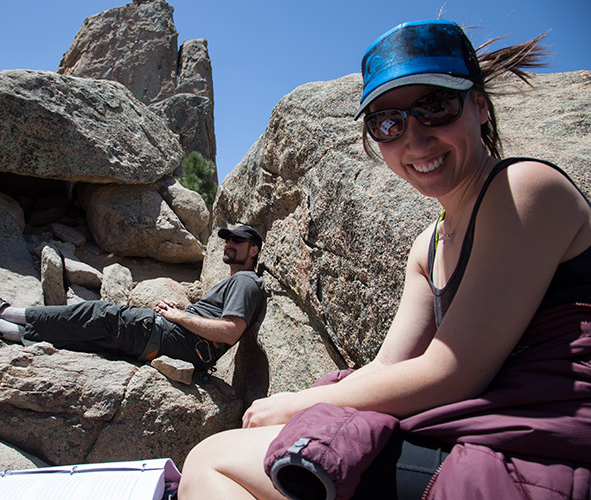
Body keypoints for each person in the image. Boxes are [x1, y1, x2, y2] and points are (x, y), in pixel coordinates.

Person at [178, 20, 591, 499]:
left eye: (435, 107)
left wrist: (304, 403)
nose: (414, 141)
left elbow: (454, 372)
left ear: (479, 106)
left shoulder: (525, 189)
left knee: (213, 461)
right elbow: (389, 366)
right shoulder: (429, 244)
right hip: (482, 438)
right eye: (388, 123)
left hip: (543, 456)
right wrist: (292, 404)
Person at [0, 225, 265, 371]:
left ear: (253, 251)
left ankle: (6, 312)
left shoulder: (246, 281)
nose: (229, 243)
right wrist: (183, 312)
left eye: (238, 240)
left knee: (96, 315)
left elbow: (230, 331)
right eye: (227, 238)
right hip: (173, 341)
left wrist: (180, 317)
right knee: (87, 338)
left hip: (171, 339)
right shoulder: (237, 281)